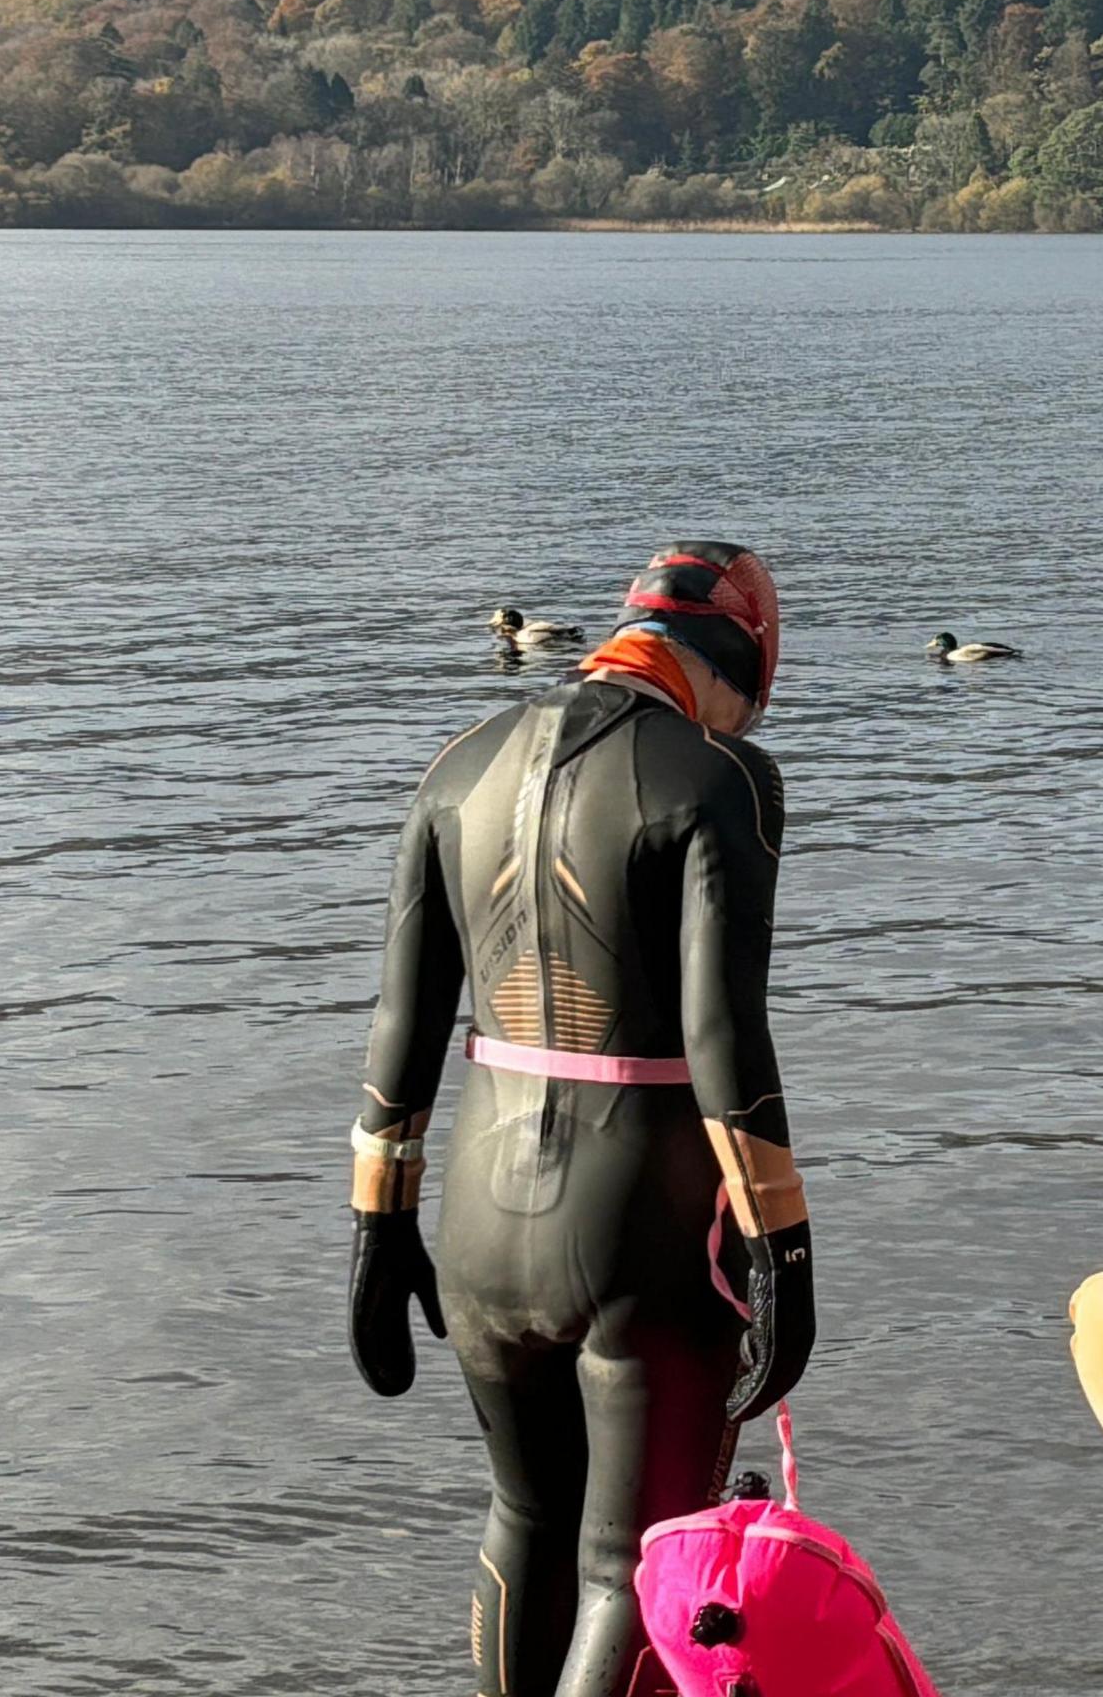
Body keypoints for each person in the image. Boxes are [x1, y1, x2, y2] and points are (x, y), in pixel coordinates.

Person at [352, 541, 817, 1697]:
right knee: (635, 1564)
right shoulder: (723, 778)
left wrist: (376, 1227)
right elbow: (724, 1045)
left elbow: (403, 1029)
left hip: (477, 1210)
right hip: (644, 1224)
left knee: (523, 1515)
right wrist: (786, 1249)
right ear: (738, 671)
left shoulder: (456, 766)